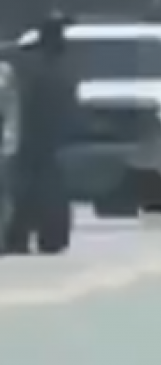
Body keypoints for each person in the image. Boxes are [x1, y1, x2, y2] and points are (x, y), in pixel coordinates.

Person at [5, 12, 77, 255]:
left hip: (37, 140)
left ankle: (23, 235)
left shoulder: (33, 64)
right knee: (36, 188)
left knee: (31, 189)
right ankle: (24, 235)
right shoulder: (44, 67)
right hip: (35, 139)